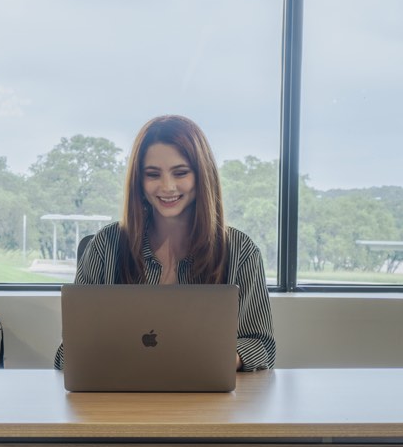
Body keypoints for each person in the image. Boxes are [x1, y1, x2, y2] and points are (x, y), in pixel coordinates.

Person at [54, 115, 276, 372]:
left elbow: (262, 347)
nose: (167, 186)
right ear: (138, 180)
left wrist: (221, 361)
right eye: (152, 174)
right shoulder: (105, 245)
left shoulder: (240, 250)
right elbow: (66, 354)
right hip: (118, 401)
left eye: (180, 173)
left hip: (207, 403)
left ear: (202, 175)